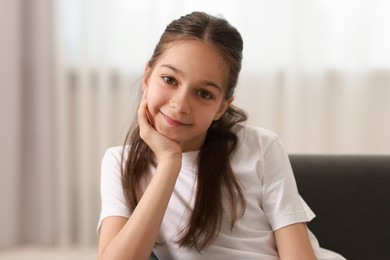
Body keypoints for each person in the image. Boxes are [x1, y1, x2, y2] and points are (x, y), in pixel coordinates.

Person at [97, 11, 345, 260]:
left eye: (204, 94)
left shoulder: (261, 147)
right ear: (147, 77)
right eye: (169, 79)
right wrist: (169, 163)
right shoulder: (120, 163)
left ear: (222, 107)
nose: (180, 104)